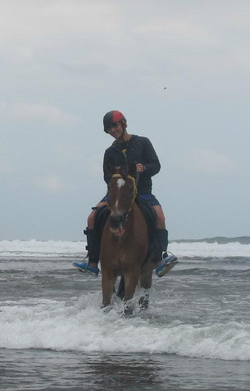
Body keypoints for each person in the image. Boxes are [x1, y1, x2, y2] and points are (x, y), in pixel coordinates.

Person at [73, 110, 178, 277]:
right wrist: (116, 176)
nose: (113, 130)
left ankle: (161, 258)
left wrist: (143, 168)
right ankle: (92, 262)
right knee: (92, 217)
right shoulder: (110, 152)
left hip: (142, 192)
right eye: (109, 129)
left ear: (123, 123)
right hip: (117, 194)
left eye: (114, 126)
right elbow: (107, 176)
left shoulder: (143, 143)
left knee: (160, 217)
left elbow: (156, 165)